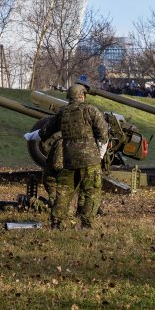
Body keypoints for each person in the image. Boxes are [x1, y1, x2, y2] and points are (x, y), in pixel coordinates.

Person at [24, 83, 108, 229]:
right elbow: (103, 134)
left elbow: (45, 131)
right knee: (91, 191)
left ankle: (56, 222)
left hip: (69, 159)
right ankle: (86, 224)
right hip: (90, 160)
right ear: (83, 95)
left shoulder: (63, 112)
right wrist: (99, 154)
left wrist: (29, 136)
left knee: (64, 191)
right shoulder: (91, 110)